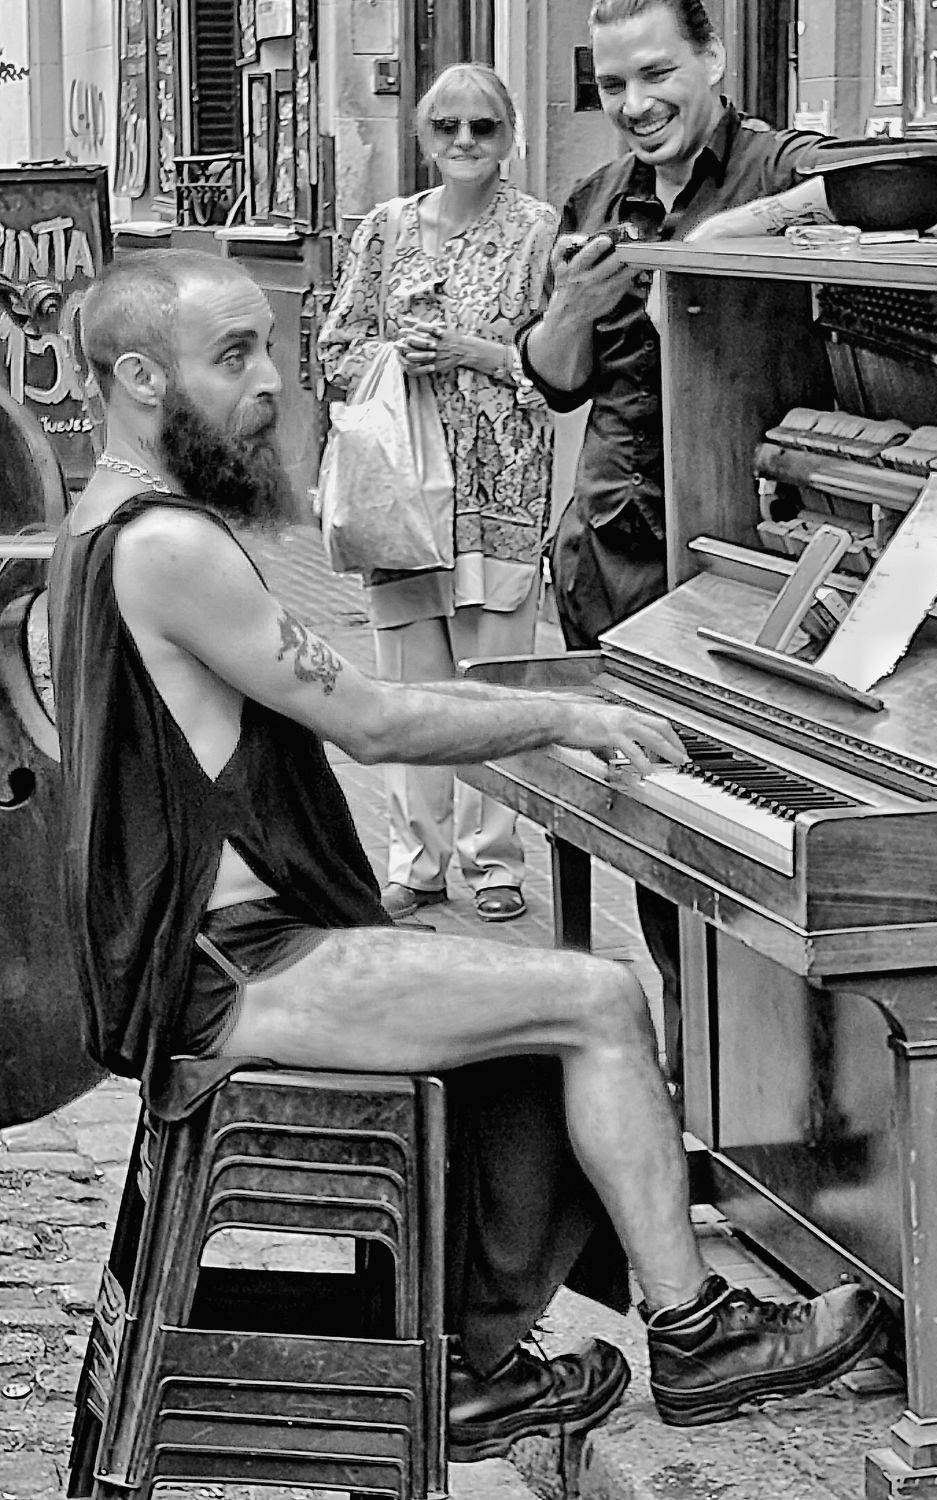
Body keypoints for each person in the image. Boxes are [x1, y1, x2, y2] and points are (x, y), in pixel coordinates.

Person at [48, 248, 885, 1464]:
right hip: (235, 972)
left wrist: (552, 713)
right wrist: (564, 715)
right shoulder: (169, 545)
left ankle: (478, 1366)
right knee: (598, 997)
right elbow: (374, 723)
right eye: (231, 356)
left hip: (211, 959)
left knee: (524, 999)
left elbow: (327, 706)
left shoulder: (100, 520)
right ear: (139, 378)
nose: (271, 381)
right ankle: (693, 1334)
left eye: (267, 348)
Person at [519, 0, 845, 1081]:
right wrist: (572, 304)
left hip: (748, 562)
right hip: (612, 558)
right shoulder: (595, 198)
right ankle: (695, 1090)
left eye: (657, 73)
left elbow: (868, 186)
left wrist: (711, 245)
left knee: (765, 868)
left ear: (712, 56)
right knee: (662, 851)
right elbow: (557, 379)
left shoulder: (772, 162)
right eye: (613, 84)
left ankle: (768, 1103)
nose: (635, 103)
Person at [318, 64, 558, 926]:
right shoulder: (383, 230)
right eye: (446, 126)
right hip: (400, 491)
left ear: (509, 135)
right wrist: (395, 356)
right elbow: (335, 347)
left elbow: (563, 368)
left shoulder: (541, 232)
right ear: (423, 137)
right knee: (410, 686)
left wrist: (473, 352)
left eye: (482, 126)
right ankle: (414, 860)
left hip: (502, 487)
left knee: (491, 684)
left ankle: (493, 858)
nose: (464, 141)